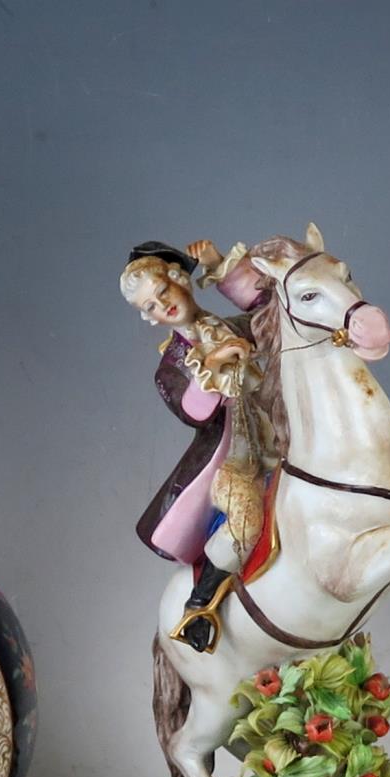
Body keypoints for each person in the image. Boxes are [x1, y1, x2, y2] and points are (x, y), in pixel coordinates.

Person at [125, 241, 267, 652]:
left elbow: (270, 308)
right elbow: (194, 413)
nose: (161, 306)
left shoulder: (238, 327)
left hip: (285, 434)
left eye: (163, 292)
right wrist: (215, 365)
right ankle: (199, 607)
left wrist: (222, 268)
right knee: (244, 520)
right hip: (239, 458)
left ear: (181, 280)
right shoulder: (171, 366)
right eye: (151, 306)